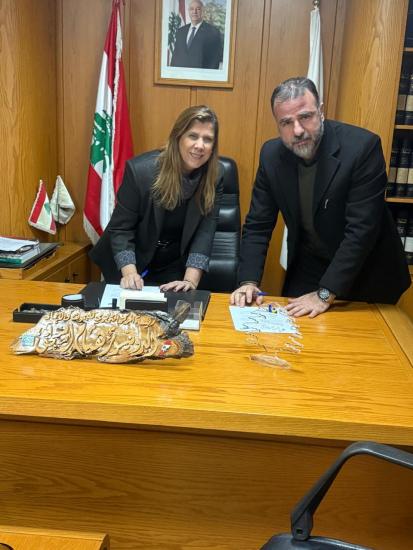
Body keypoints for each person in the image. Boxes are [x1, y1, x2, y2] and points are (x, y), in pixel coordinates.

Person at [231, 77, 411, 317]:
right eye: (286, 122)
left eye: (305, 117)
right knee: (294, 327)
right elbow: (258, 224)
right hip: (311, 264)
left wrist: (325, 294)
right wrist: (248, 282)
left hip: (368, 270)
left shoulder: (362, 148)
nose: (297, 130)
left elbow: (361, 232)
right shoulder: (271, 156)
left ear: (321, 111)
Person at [89, 105, 223, 292]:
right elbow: (121, 228)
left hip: (172, 263)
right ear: (178, 137)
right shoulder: (141, 171)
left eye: (207, 139)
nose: (200, 145)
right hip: (130, 259)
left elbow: (205, 232)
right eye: (193, 136)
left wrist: (190, 281)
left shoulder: (215, 176)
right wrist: (129, 274)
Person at [170, 0, 223, 70]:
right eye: (192, 9)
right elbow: (175, 56)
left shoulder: (213, 32)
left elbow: (215, 60)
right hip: (180, 74)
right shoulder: (181, 31)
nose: (194, 12)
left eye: (198, 9)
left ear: (203, 11)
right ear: (189, 11)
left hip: (201, 75)